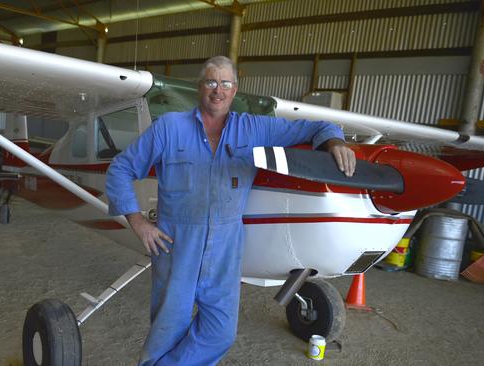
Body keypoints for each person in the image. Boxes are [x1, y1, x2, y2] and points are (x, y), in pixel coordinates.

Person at [105, 56, 356, 366]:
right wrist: (138, 221)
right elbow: (121, 168)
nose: (218, 90)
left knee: (220, 332)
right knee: (167, 331)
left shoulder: (253, 129)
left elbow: (319, 126)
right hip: (176, 245)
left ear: (235, 90)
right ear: (200, 87)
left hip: (225, 247)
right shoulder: (170, 127)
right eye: (211, 82)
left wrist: (334, 143)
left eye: (225, 83)